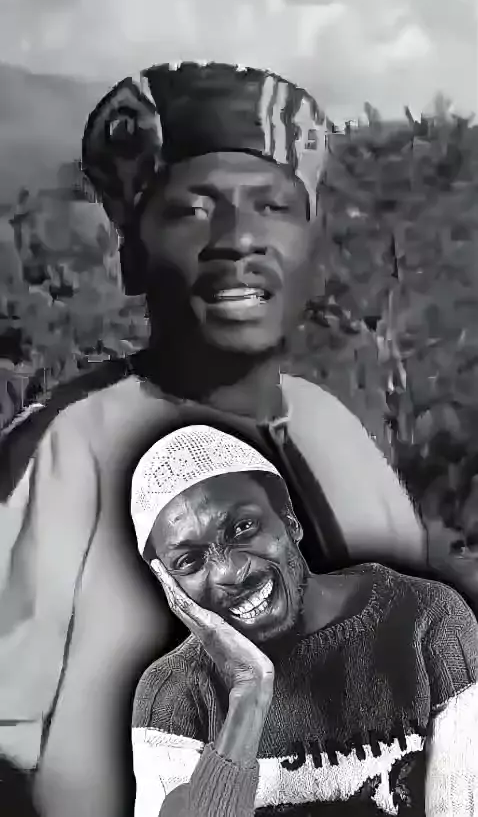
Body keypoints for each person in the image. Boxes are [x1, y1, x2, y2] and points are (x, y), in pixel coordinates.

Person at [0, 62, 424, 817]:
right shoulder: (63, 446)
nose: (239, 239)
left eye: (273, 206)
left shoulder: (336, 431)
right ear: (133, 253)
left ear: (312, 249)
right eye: (192, 210)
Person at [131, 425, 478, 817]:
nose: (230, 572)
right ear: (169, 585)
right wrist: (248, 693)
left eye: (243, 528)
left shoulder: (428, 620)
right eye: (189, 561)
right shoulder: (174, 691)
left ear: (288, 519)